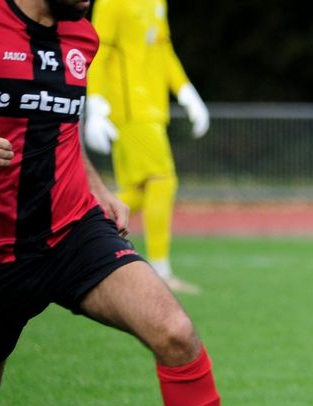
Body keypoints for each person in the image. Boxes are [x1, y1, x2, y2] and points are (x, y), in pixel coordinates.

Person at [0, 0, 295, 406]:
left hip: (69, 232)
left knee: (174, 331)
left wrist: (96, 186)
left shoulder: (81, 32)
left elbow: (60, 127)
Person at [83, 0, 208, 294]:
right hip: (128, 110)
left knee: (140, 191)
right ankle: (161, 271)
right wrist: (96, 104)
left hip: (153, 109)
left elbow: (163, 50)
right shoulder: (113, 3)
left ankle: (78, 226)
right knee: (163, 180)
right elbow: (99, 50)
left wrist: (186, 91)